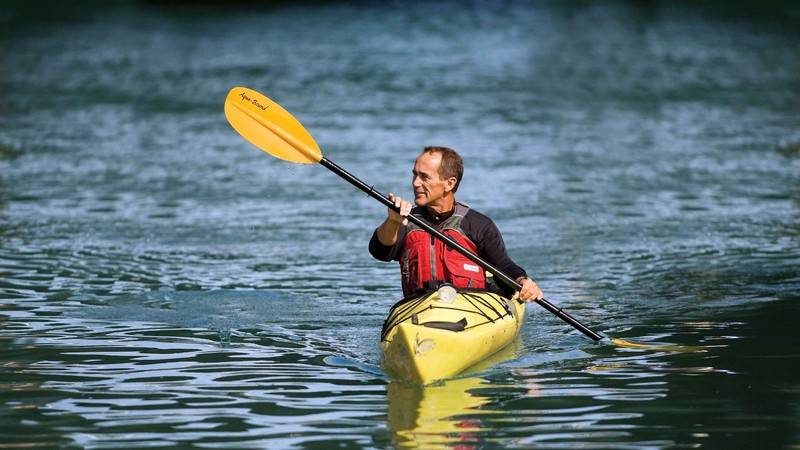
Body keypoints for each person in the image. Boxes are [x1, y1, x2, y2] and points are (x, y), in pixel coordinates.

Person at [368, 146, 543, 301]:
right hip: (419, 311)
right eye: (414, 175)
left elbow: (503, 265)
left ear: (449, 183)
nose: (415, 183)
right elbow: (379, 251)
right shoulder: (405, 219)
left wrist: (523, 281)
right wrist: (392, 221)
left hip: (473, 313)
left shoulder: (478, 225)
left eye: (424, 177)